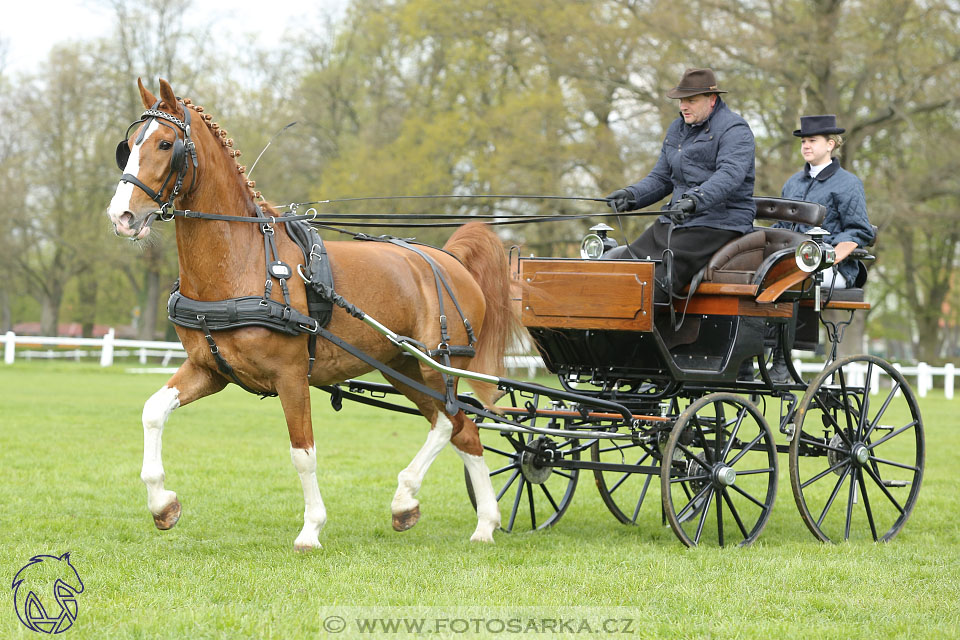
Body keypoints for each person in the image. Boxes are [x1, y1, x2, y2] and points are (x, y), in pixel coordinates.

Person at [605, 68, 757, 303]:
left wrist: (695, 199)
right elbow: (661, 178)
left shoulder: (735, 130)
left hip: (718, 222)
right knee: (622, 266)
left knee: (657, 277)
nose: (683, 106)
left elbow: (729, 175)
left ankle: (644, 334)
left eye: (691, 101)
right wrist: (632, 195)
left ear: (712, 99)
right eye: (681, 100)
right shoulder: (677, 129)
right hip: (676, 219)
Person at [766, 114, 875, 382]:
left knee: (790, 281)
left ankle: (781, 364)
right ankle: (749, 357)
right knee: (753, 281)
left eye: (812, 140)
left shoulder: (849, 184)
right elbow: (782, 225)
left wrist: (832, 255)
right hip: (790, 262)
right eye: (803, 141)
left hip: (833, 268)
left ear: (831, 144)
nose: (806, 145)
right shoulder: (793, 183)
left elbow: (859, 230)